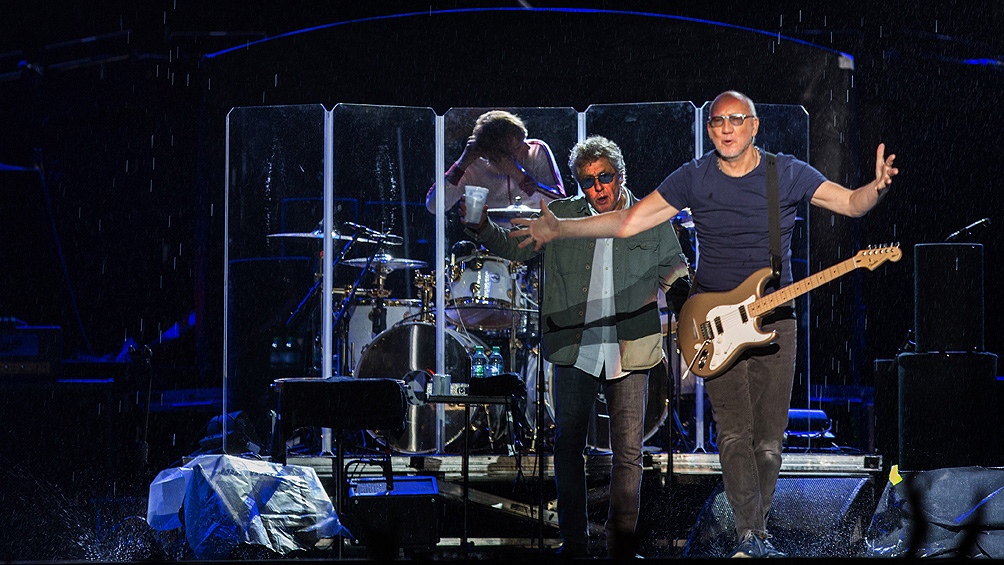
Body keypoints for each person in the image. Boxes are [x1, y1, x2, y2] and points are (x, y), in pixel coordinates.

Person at [510, 91, 899, 558]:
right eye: (718, 121)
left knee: (769, 443)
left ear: (754, 125)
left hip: (775, 320)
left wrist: (877, 188)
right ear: (709, 129)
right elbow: (628, 221)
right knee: (733, 434)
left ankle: (754, 532)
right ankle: (749, 537)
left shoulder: (787, 172)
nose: (727, 128)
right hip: (714, 322)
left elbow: (852, 203)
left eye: (736, 119)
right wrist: (561, 229)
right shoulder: (693, 177)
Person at [461, 135, 690, 559]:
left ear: (621, 175)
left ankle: (621, 548)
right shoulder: (560, 217)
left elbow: (675, 271)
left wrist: (688, 304)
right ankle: (574, 545)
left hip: (630, 346)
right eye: (588, 181)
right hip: (575, 345)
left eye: (605, 177)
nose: (598, 187)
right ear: (579, 184)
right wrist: (480, 227)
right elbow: (515, 246)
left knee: (628, 454)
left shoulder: (650, 217)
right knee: (568, 446)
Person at [426, 109, 566, 218]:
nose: (526, 147)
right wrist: (461, 164)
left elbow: (561, 206)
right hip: (494, 243)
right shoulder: (473, 164)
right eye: (518, 146)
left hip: (537, 239)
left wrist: (518, 174)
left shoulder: (536, 149)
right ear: (496, 155)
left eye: (524, 139)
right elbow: (434, 207)